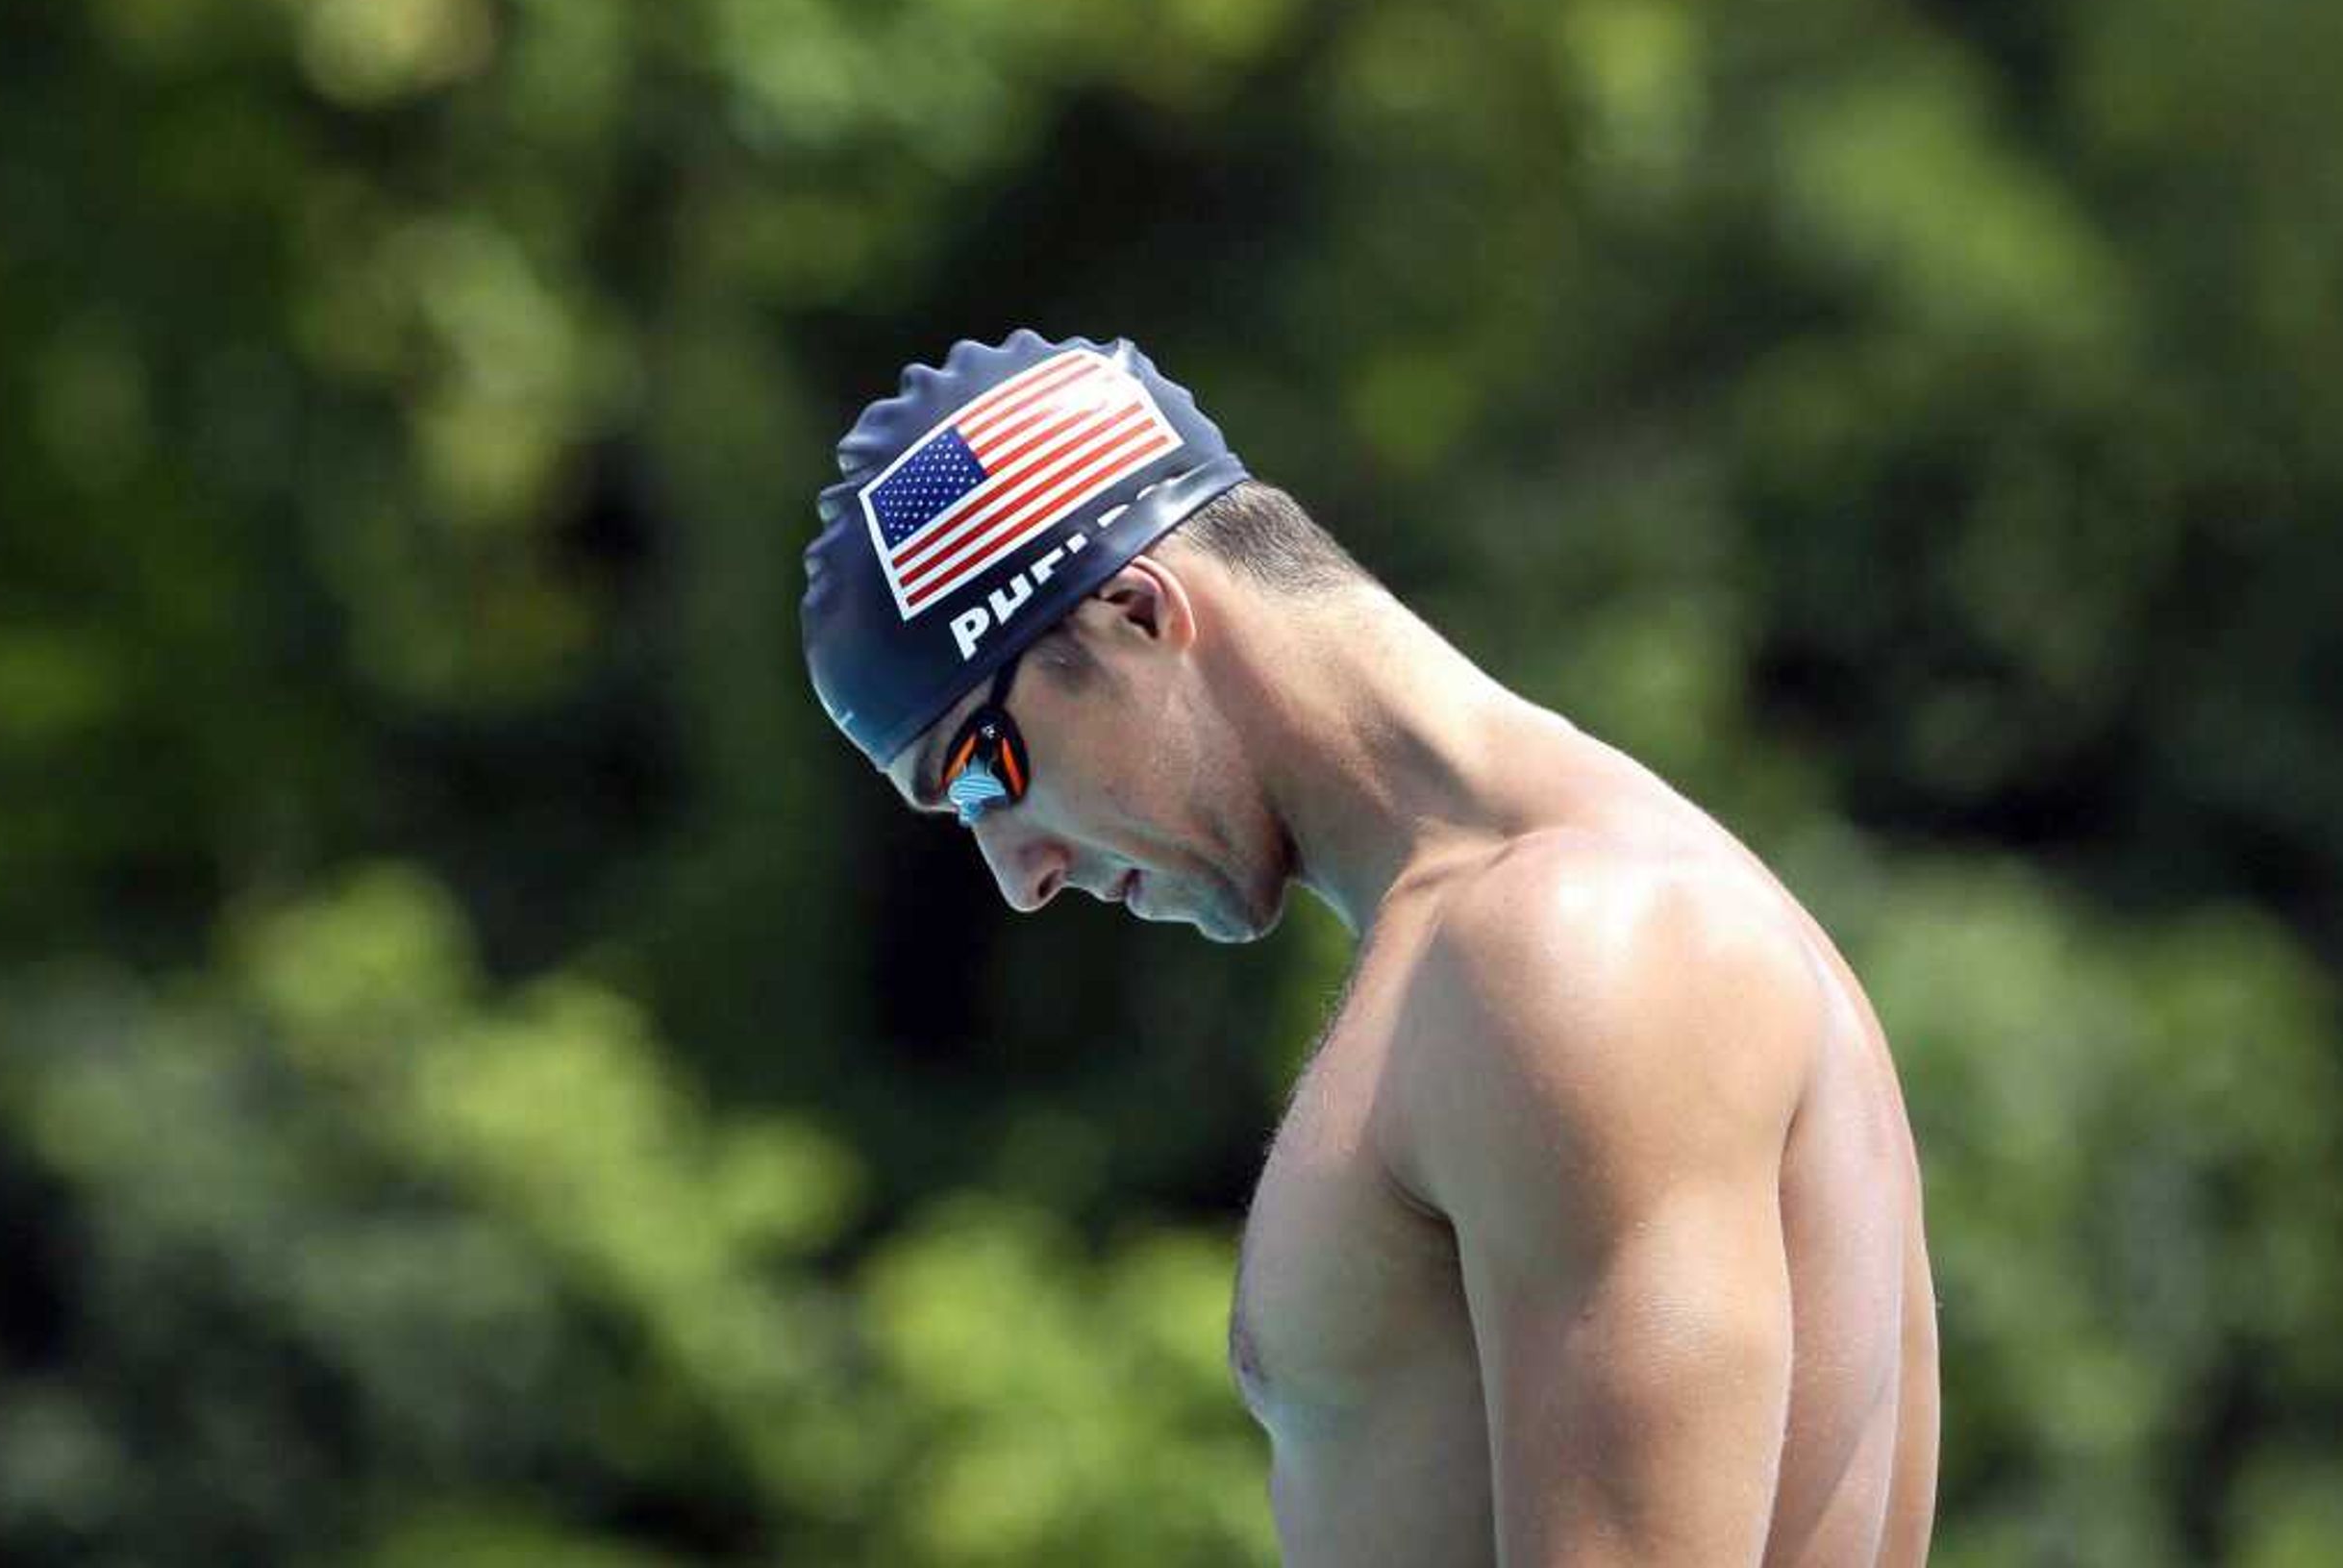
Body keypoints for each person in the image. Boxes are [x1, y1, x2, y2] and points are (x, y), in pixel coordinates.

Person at [802, 333, 1940, 1567]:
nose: (1019, 873)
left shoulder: (1572, 945)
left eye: (983, 772)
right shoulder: (1605, 917)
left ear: (1136, 613)